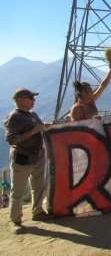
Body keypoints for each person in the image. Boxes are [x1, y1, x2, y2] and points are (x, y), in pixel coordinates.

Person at [4, 88, 52, 234]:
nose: (33, 100)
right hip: (22, 157)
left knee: (38, 186)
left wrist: (45, 127)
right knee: (17, 191)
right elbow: (11, 139)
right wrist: (33, 131)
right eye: (30, 98)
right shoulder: (14, 117)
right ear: (20, 100)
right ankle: (16, 221)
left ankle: (38, 212)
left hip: (37, 155)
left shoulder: (33, 115)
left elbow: (39, 128)